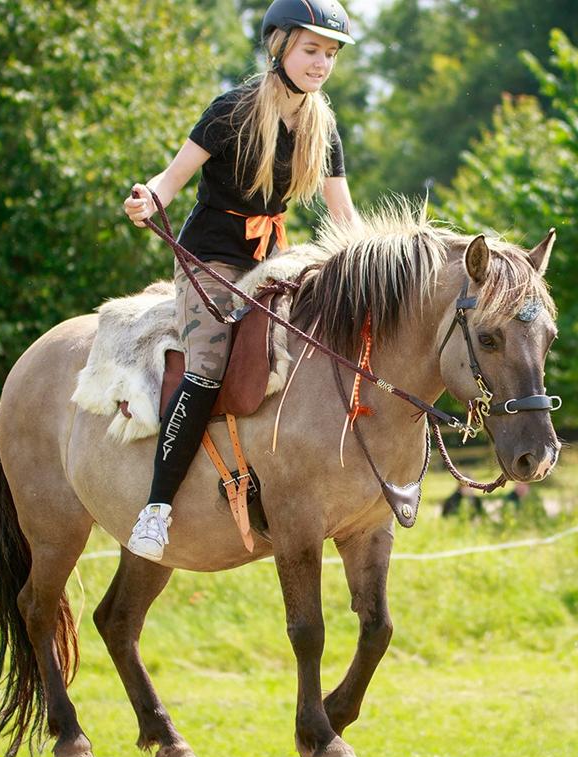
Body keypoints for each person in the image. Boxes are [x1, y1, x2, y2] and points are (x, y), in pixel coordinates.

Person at [122, 0, 359, 562]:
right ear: (278, 46)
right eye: (310, 49)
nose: (321, 63)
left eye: (330, 54)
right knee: (206, 366)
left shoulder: (324, 127)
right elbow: (172, 177)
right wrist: (149, 198)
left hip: (270, 261)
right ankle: (156, 507)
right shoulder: (231, 111)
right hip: (209, 257)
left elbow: (344, 217)